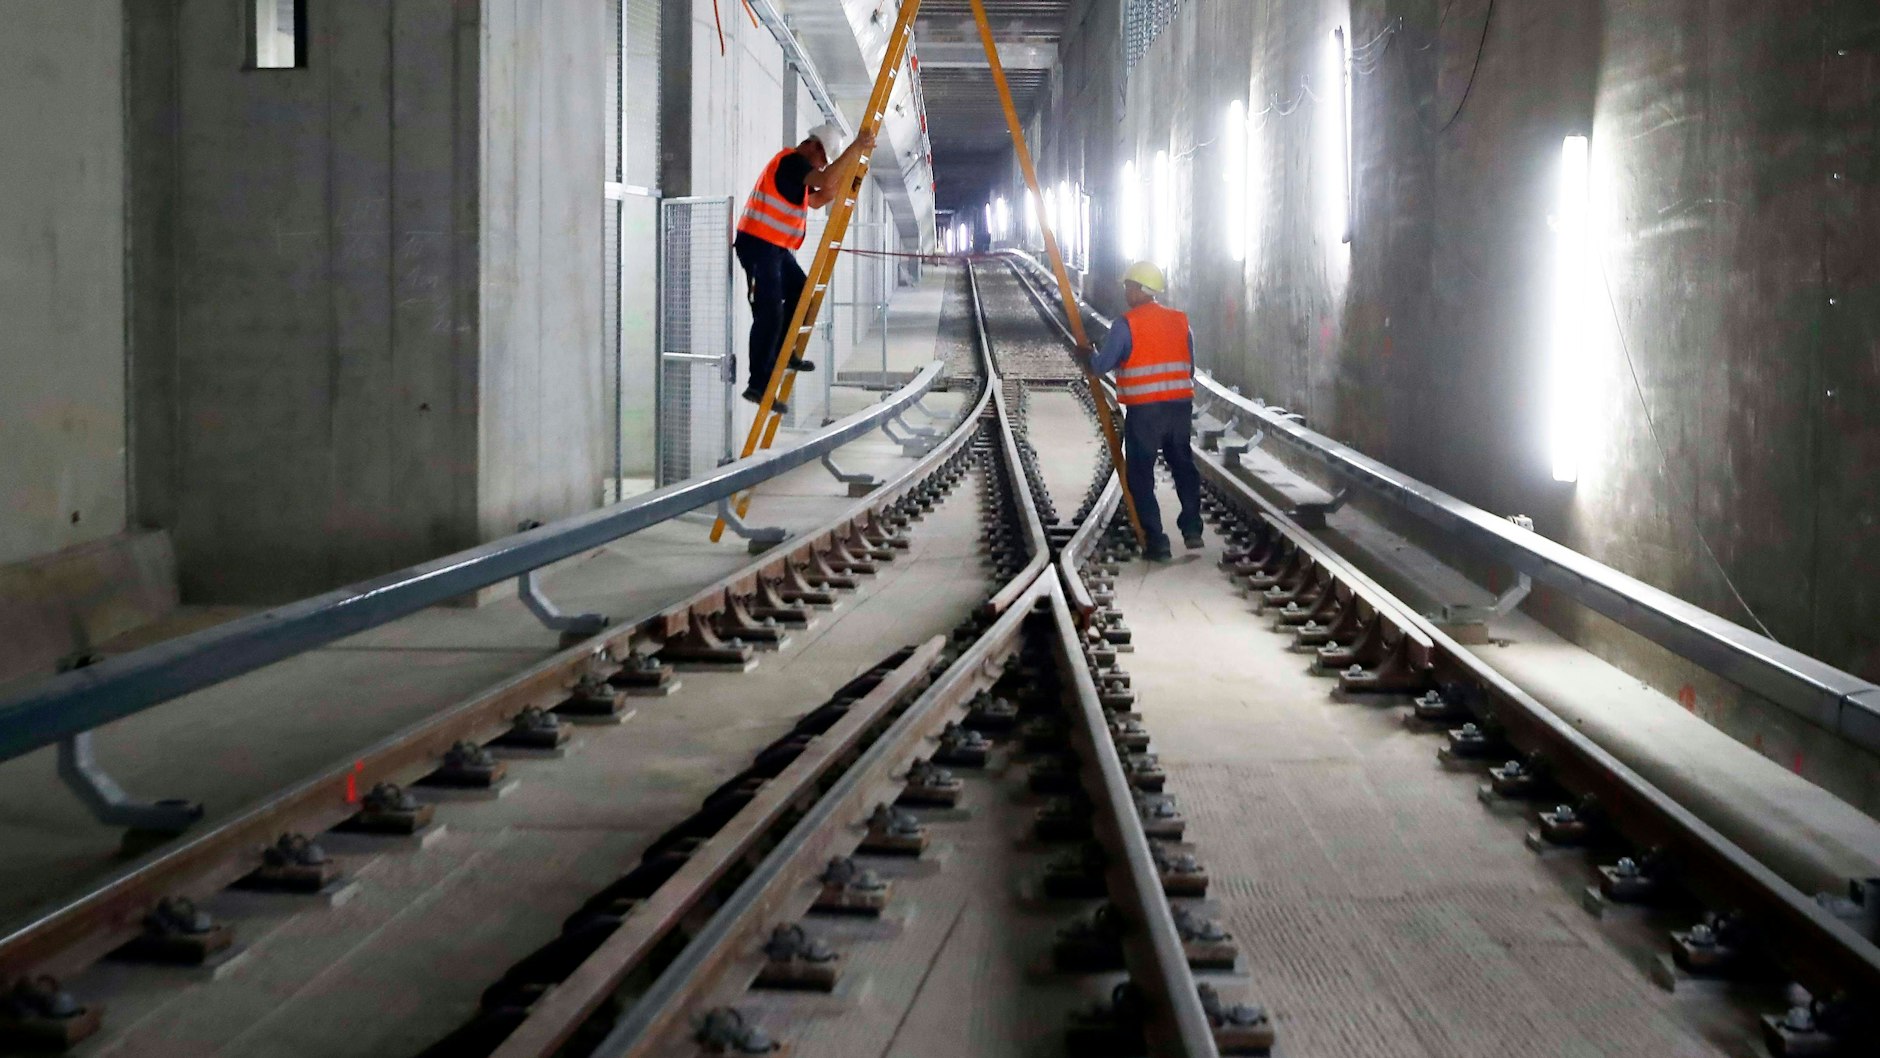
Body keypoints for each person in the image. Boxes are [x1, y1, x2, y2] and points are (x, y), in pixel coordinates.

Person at [734, 124, 878, 415]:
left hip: (774, 247)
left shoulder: (798, 172)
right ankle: (758, 384)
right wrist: (856, 148)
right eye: (823, 158)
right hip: (757, 244)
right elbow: (824, 180)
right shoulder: (792, 161)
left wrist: (847, 179)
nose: (822, 164)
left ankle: (782, 353)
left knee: (801, 290)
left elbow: (817, 198)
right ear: (812, 146)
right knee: (769, 312)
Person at [1074, 261, 1201, 561]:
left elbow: (1100, 366)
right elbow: (1190, 368)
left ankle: (1157, 541)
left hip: (1145, 412)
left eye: (1128, 286)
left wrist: (1087, 355)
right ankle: (1192, 528)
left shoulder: (1126, 324)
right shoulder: (1180, 321)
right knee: (1183, 466)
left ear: (1139, 289)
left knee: (1141, 474)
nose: (1125, 291)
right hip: (1179, 408)